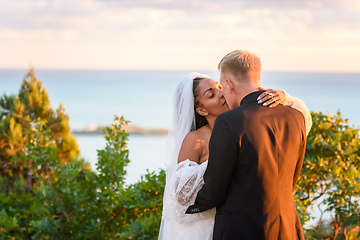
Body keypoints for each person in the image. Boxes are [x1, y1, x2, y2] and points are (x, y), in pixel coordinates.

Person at [158, 70, 312, 239]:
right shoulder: (195, 139)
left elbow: (300, 118)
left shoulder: (246, 121)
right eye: (211, 95)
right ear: (201, 110)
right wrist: (221, 162)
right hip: (209, 228)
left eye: (219, 86)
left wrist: (283, 96)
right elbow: (181, 193)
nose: (221, 93)